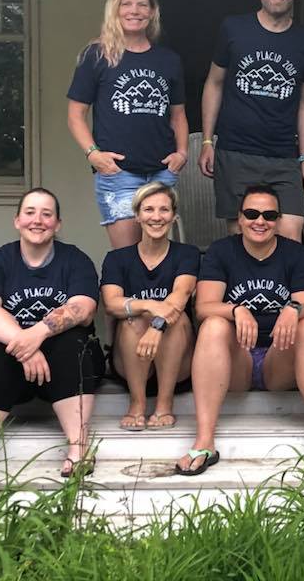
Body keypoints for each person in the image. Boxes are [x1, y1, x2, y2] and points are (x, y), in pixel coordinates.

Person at [175, 185, 304, 474]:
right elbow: (204, 307)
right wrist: (236, 310)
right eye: (251, 214)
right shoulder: (222, 251)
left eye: (269, 215)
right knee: (213, 326)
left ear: (278, 220)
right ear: (239, 218)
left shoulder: (294, 253)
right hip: (236, 361)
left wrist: (294, 308)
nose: (260, 221)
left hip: (280, 360)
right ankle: (204, 440)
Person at [0, 188, 103, 478]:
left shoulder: (75, 260)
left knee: (73, 340)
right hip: (11, 371)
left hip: (63, 370)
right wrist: (25, 347)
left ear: (57, 224)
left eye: (46, 214)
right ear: (17, 220)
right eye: (30, 212)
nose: (37, 220)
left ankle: (78, 447)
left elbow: (83, 308)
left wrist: (36, 334)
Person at [197, 0, 304, 241]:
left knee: (290, 236)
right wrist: (207, 140)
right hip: (236, 152)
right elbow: (214, 83)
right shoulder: (234, 28)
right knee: (242, 240)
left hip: (284, 156)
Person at [67, 0, 188, 249]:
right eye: (126, 4)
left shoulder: (168, 60)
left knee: (156, 256)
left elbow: (178, 114)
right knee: (126, 258)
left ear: (153, 11)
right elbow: (75, 115)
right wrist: (93, 154)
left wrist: (181, 153)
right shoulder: (96, 55)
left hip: (161, 172)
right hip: (118, 174)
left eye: (142, 5)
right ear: (115, 9)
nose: (134, 11)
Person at [100, 183, 200, 431]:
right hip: (130, 361)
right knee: (131, 319)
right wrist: (149, 306)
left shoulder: (187, 254)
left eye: (164, 210)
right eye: (148, 209)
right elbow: (111, 303)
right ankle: (137, 404)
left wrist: (156, 326)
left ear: (173, 216)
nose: (157, 217)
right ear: (137, 215)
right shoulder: (117, 259)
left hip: (178, 365)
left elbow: (180, 295)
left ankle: (165, 404)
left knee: (177, 319)